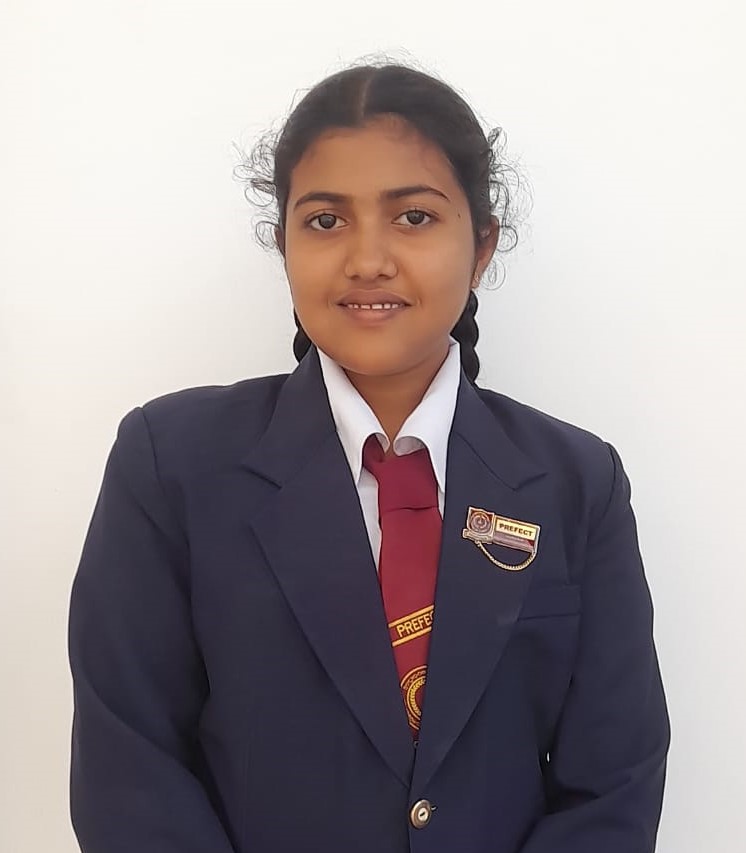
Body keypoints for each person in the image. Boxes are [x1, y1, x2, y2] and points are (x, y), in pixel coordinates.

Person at [67, 61, 670, 853]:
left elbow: (614, 784)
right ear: (284, 244)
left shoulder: (577, 483)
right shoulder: (171, 465)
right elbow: (130, 772)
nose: (367, 258)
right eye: (325, 221)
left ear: (482, 246)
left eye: (414, 217)